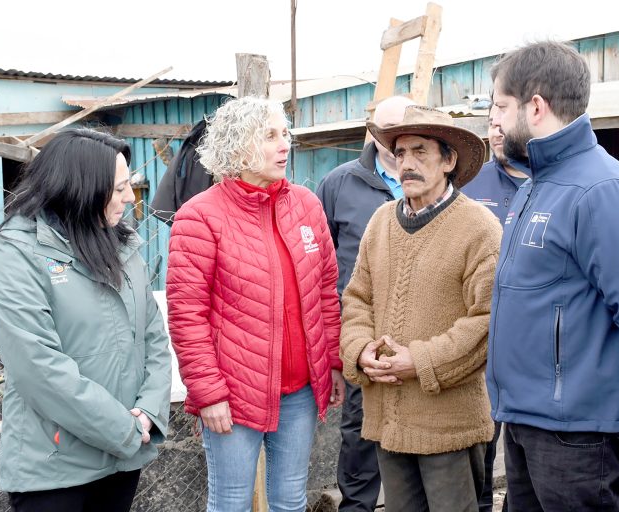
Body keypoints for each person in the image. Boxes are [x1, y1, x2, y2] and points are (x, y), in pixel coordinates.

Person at [486, 40, 619, 511]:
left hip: (578, 433)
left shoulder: (601, 188)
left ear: (535, 106)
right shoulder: (539, 183)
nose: (493, 119)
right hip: (531, 418)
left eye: (500, 105)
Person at [166, 96, 345, 512]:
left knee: (290, 500)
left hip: (299, 389)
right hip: (233, 391)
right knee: (230, 502)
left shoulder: (306, 205)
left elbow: (324, 290)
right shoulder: (200, 216)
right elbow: (186, 315)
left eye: (285, 134)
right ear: (237, 144)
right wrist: (207, 392)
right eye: (270, 136)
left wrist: (332, 362)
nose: (284, 145)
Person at [0, 128, 172, 512]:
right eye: (118, 188)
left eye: (128, 185)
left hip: (122, 458)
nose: (128, 196)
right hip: (55, 467)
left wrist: (150, 410)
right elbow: (39, 369)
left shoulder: (120, 245)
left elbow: (152, 335)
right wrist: (125, 430)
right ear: (81, 187)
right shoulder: (18, 253)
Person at [340, 105, 501, 511]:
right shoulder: (380, 222)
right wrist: (360, 350)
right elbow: (357, 297)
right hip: (388, 419)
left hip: (448, 423)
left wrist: (420, 360)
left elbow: (487, 321)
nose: (406, 164)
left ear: (449, 161)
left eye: (420, 152)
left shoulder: (479, 227)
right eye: (400, 153)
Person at [315, 94, 416, 512]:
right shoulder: (338, 185)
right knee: (359, 435)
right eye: (387, 133)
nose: (396, 143)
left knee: (418, 435)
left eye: (405, 133)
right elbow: (321, 267)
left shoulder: (437, 182)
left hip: (420, 335)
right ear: (373, 134)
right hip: (361, 336)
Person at [461, 109, 529, 512]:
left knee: (526, 456)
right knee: (478, 449)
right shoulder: (471, 182)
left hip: (531, 344)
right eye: (491, 121)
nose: (497, 130)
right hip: (476, 340)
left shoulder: (549, 183)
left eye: (506, 120)